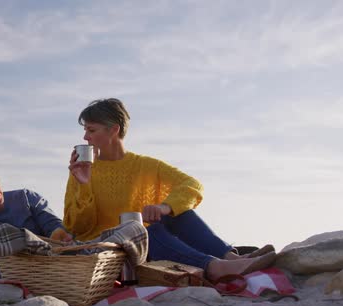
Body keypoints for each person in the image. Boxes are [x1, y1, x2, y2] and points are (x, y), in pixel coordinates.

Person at [64, 98, 275, 281]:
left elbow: (192, 185)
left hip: (147, 247)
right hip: (106, 251)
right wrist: (83, 185)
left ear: (113, 130)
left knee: (179, 212)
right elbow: (77, 228)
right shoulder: (82, 170)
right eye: (85, 130)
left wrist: (165, 207)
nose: (85, 137)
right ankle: (215, 267)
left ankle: (233, 259)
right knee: (147, 231)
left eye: (91, 130)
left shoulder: (146, 165)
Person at [0, 155, 72, 277]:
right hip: (14, 282)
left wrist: (61, 233)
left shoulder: (27, 198)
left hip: (57, 271)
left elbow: (55, 227)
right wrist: (19, 270)